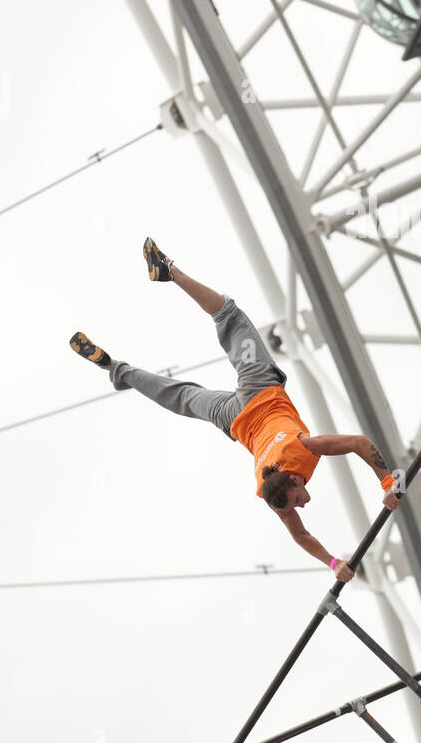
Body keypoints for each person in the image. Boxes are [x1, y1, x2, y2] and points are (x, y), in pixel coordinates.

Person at [69, 238, 401, 583]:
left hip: (255, 393)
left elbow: (360, 443)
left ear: (291, 478)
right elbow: (300, 533)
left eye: (296, 501)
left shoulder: (298, 454)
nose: (301, 504)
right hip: (236, 420)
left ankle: (167, 275)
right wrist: (334, 560)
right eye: (295, 504)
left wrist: (387, 482)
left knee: (227, 316)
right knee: (180, 397)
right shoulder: (272, 490)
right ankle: (116, 369)